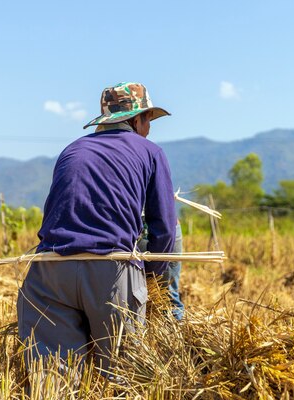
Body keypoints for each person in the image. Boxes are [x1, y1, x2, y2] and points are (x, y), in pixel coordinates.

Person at [17, 82, 176, 376]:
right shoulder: (151, 152)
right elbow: (165, 228)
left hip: (51, 270)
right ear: (136, 119)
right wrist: (153, 277)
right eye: (148, 121)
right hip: (112, 270)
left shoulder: (72, 149)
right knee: (122, 377)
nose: (149, 129)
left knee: (51, 378)